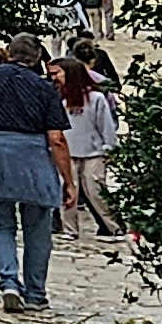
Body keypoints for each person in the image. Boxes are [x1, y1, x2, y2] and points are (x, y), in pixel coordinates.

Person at [0, 35, 74, 312]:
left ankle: (9, 282)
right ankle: (35, 294)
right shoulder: (43, 88)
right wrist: (69, 181)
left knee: (0, 222)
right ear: (37, 58)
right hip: (33, 156)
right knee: (37, 228)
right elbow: (56, 138)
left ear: (10, 52)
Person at [59, 47, 124, 236]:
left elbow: (106, 125)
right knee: (69, 191)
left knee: (96, 191)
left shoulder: (96, 98)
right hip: (68, 152)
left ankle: (114, 226)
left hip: (94, 152)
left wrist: (109, 148)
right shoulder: (61, 99)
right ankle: (69, 229)